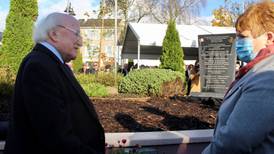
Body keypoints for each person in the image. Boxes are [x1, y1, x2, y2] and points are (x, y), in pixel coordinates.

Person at [5, 12, 105, 154]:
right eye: (76, 34)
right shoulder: (39, 66)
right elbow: (56, 136)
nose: (81, 42)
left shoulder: (50, 63)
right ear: (54, 34)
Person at [203, 1, 274, 154]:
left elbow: (234, 142)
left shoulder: (268, 77)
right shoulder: (256, 69)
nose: (238, 43)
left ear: (269, 38)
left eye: (243, 37)